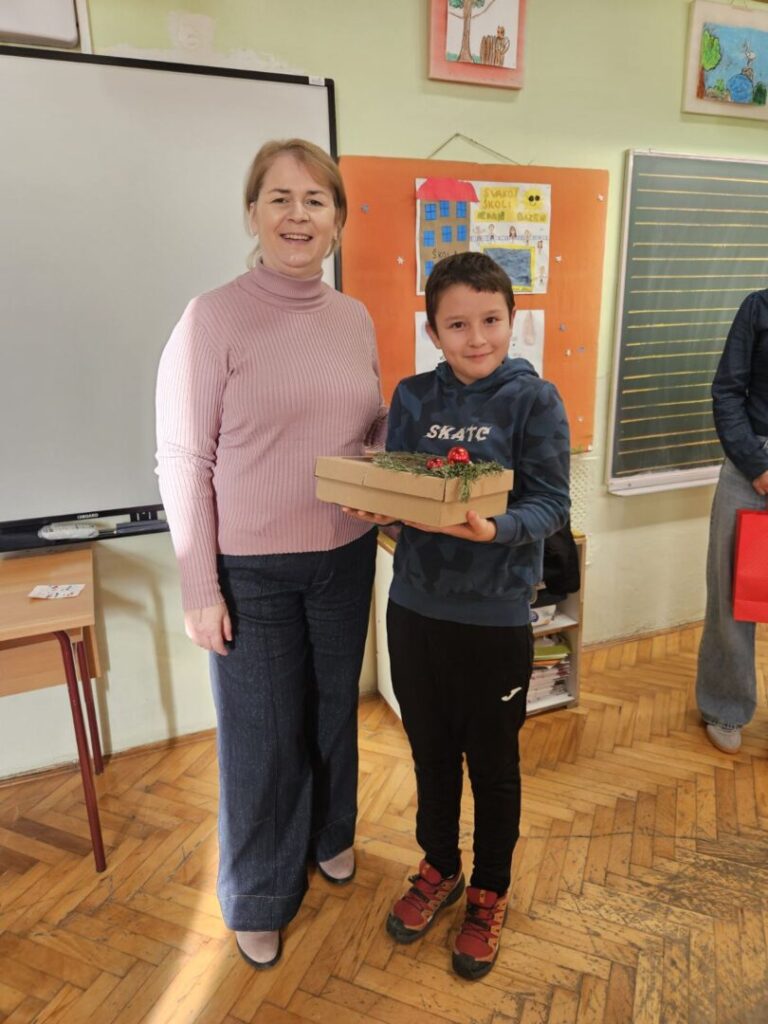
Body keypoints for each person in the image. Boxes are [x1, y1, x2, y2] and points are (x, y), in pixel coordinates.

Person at [155, 138, 386, 969]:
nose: (298, 215)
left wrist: (389, 464)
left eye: (316, 200)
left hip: (345, 554)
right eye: (280, 198)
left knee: (332, 713)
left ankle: (330, 832)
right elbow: (183, 458)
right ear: (252, 213)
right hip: (250, 570)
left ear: (338, 220)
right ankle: (258, 890)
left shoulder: (353, 317)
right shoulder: (210, 318)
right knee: (261, 736)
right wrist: (199, 586)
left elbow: (369, 424)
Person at [346, 251, 570, 979]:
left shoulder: (534, 401)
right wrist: (378, 509)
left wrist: (492, 530)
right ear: (433, 332)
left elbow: (551, 505)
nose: (477, 338)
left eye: (491, 320)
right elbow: (403, 498)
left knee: (494, 765)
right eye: (458, 325)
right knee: (430, 751)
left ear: (512, 319)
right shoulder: (412, 398)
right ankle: (439, 866)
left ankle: (489, 891)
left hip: (495, 617)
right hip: (415, 608)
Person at [697, 288, 768, 754]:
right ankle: (725, 705)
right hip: (752, 465)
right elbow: (727, 391)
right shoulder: (758, 307)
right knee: (732, 592)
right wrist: (757, 466)